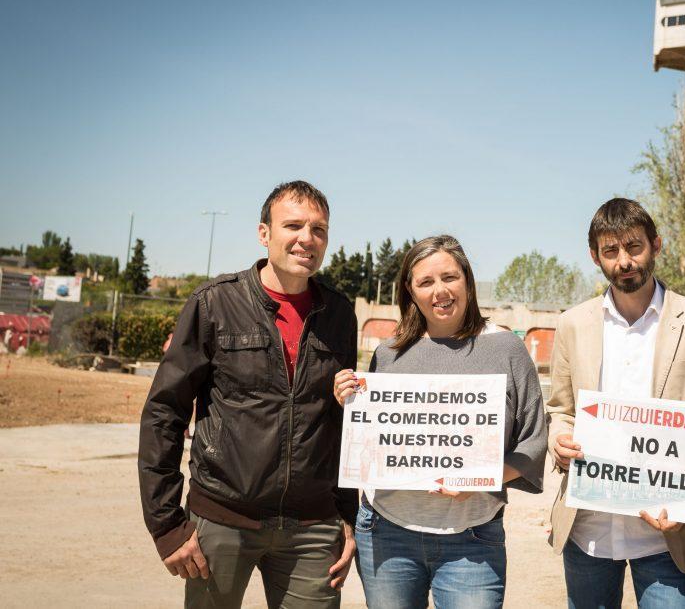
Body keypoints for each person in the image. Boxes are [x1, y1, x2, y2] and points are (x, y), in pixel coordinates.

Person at [138, 181, 359, 608]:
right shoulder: (214, 304)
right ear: (264, 233)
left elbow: (345, 423)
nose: (306, 239)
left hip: (312, 530)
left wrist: (347, 516)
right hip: (221, 521)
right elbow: (164, 415)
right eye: (293, 225)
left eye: (319, 229)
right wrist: (166, 526)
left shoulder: (340, 314)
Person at [332, 234, 547, 608]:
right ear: (410, 291)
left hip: (472, 540)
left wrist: (482, 476)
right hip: (386, 532)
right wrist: (348, 399)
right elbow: (372, 439)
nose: (440, 291)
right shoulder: (388, 353)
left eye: (449, 277)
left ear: (467, 279)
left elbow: (534, 442)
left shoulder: (506, 349)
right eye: (426, 282)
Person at [546, 197, 685, 609]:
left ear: (656, 245)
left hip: (668, 535)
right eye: (611, 252)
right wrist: (559, 438)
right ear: (595, 257)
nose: (624, 261)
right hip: (588, 531)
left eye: (634, 247)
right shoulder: (572, 324)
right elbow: (561, 410)